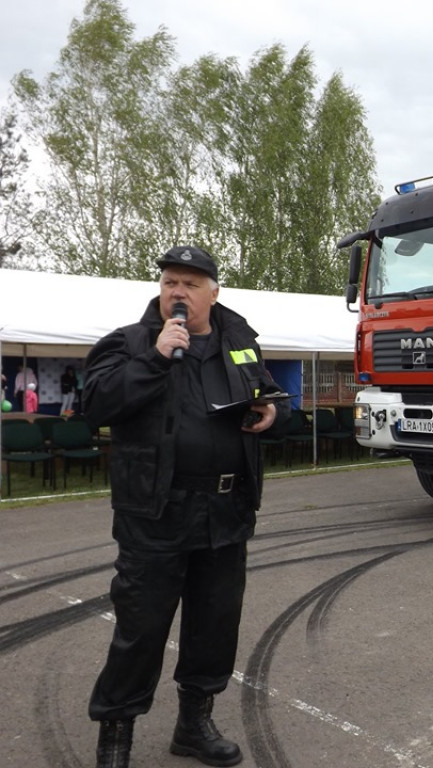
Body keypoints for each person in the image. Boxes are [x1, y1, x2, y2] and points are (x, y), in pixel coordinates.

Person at [84, 245, 290, 768]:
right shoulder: (131, 342)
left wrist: (267, 410)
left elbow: (262, 393)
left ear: (214, 292)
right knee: (141, 627)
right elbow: (97, 404)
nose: (179, 292)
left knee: (215, 625)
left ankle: (193, 725)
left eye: (192, 283)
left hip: (226, 509)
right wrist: (154, 357)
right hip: (156, 511)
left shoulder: (239, 341)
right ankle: (115, 738)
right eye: (171, 281)